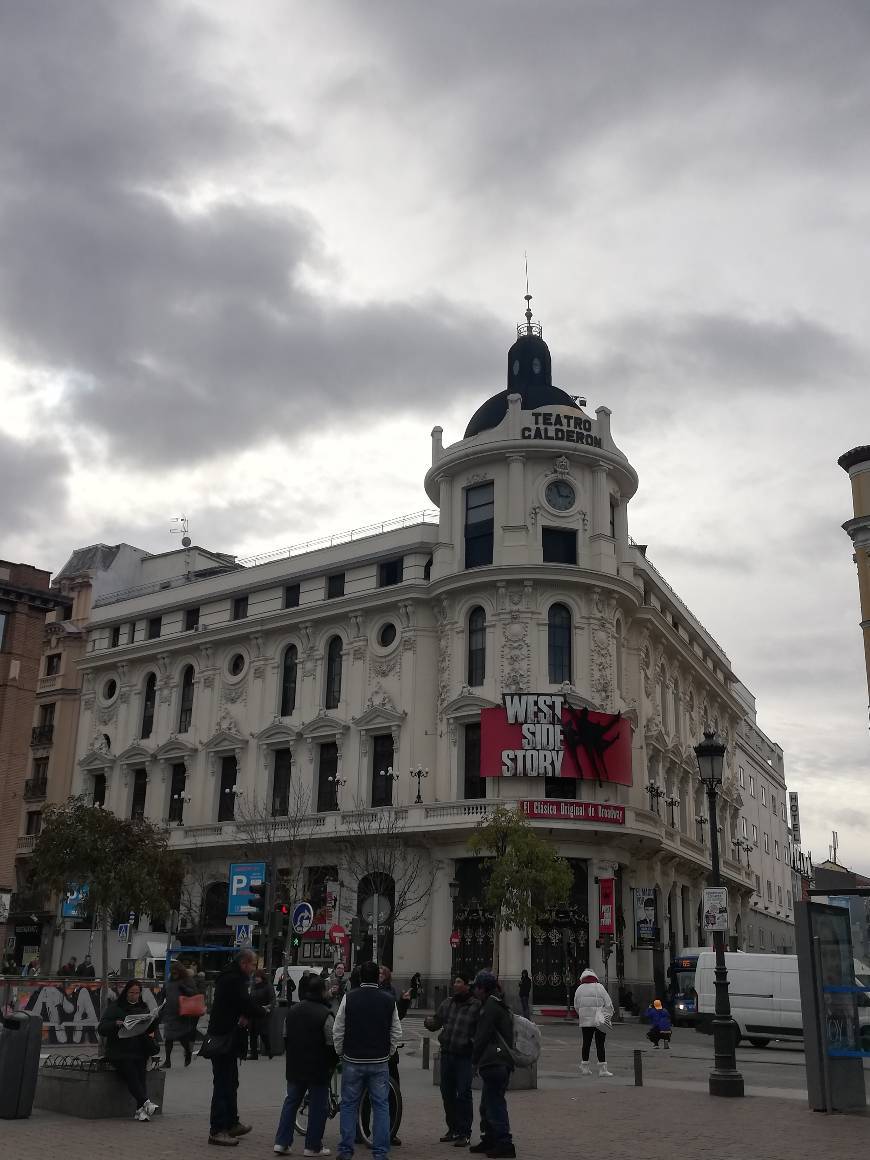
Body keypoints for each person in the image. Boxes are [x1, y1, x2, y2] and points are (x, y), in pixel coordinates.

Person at [333, 960, 402, 1160]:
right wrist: (388, 1052)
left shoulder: (349, 997)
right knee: (381, 1105)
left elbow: (339, 1029)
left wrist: (340, 1052)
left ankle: (346, 1151)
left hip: (353, 1059)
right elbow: (396, 1031)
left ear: (361, 977)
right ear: (377, 978)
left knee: (348, 1105)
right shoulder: (388, 999)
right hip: (379, 1060)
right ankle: (380, 1153)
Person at [206, 949, 268, 1148]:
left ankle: (232, 1123)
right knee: (224, 1083)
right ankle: (217, 1130)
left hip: (227, 1037)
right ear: (244, 964)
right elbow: (245, 1003)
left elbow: (240, 1005)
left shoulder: (231, 977)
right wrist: (262, 1011)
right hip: (225, 1038)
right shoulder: (234, 980)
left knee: (231, 1082)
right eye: (252, 965)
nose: (253, 969)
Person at [274, 973, 337, 1156]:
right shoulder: (325, 1014)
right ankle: (313, 1146)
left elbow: (285, 1036)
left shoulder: (292, 1011)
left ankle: (282, 1142)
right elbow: (331, 1042)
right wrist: (331, 1064)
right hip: (318, 1067)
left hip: (295, 1065)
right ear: (322, 992)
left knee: (291, 1102)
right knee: (318, 1106)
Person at [424, 973, 480, 1147]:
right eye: (454, 981)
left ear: (467, 985)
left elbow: (481, 1031)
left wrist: (472, 1045)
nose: (454, 984)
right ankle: (453, 1128)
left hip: (464, 1057)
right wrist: (428, 1021)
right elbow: (436, 1022)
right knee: (447, 1094)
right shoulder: (448, 1003)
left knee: (463, 1094)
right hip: (447, 1054)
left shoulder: (476, 1006)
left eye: (458, 981)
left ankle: (464, 1132)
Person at [97, 979, 160, 1121]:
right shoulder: (115, 1008)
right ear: (125, 992)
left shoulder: (143, 1007)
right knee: (131, 1074)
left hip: (139, 1049)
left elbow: (148, 1029)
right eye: (132, 992)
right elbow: (102, 1028)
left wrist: (154, 1019)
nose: (135, 996)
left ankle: (140, 1110)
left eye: (137, 993)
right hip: (119, 1051)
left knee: (140, 1077)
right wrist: (115, 1024)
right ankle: (146, 1103)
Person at [470, 970, 515, 1159]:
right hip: (499, 1062)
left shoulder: (490, 1007)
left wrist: (473, 1061)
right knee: (487, 1104)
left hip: (494, 1061)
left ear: (482, 989)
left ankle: (504, 1143)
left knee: (495, 1104)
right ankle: (490, 1138)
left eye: (476, 987)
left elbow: (482, 1036)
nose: (475, 991)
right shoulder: (498, 1003)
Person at [379, 966, 410, 1146]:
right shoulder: (371, 992)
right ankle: (364, 1130)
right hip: (377, 1050)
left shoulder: (391, 992)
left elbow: (398, 1018)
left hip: (389, 1050)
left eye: (383, 974)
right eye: (378, 974)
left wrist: (405, 1002)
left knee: (392, 1092)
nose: (380, 976)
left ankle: (391, 1131)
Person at [574, 968, 613, 1077]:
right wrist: (606, 1016)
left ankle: (585, 1068)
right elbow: (608, 1004)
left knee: (586, 1043)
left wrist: (583, 1014)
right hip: (599, 1020)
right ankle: (602, 1069)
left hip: (585, 1020)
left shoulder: (579, 989)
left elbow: (576, 1006)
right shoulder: (600, 987)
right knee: (600, 1044)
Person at [162, 960, 198, 1068]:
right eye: (172, 972)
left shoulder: (187, 980)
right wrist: (160, 1008)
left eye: (176, 972)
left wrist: (184, 988)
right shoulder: (169, 982)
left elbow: (194, 994)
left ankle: (188, 1052)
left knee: (182, 1038)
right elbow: (163, 995)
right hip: (169, 1013)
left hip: (182, 1014)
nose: (174, 974)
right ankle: (167, 1061)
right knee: (168, 1038)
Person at [248, 967, 276, 1059]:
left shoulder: (268, 986)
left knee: (263, 1033)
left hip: (263, 1012)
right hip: (254, 1012)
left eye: (258, 977)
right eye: (255, 977)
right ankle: (254, 1054)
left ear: (262, 977)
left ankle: (269, 1051)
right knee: (252, 1034)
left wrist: (268, 1007)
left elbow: (272, 999)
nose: (256, 979)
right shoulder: (253, 987)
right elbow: (250, 998)